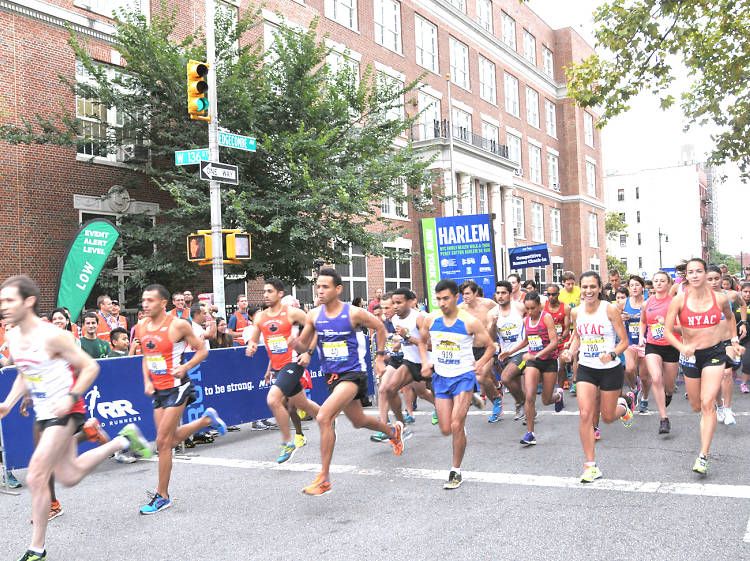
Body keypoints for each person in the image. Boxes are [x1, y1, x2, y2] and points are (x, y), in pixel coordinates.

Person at [0, 275, 152, 561]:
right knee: (68, 475)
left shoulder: (54, 336)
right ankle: (122, 440)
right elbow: (24, 371)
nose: (3, 306)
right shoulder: (12, 335)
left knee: (35, 475)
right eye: (2, 301)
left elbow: (90, 367)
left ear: (28, 301)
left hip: (68, 410)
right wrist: (9, 402)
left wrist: (70, 397)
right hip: (44, 413)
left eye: (10, 300)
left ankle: (37, 550)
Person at [291, 268, 404, 496]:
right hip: (331, 375)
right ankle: (393, 431)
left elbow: (380, 328)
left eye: (325, 286)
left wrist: (380, 358)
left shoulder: (353, 313)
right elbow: (303, 344)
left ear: (338, 289)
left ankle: (324, 477)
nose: (320, 290)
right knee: (359, 420)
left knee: (324, 416)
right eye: (318, 286)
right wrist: (295, 343)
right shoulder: (313, 315)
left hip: (353, 374)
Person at [134, 284, 227, 514]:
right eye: (143, 300)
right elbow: (147, 356)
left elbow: (202, 350)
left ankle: (162, 495)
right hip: (158, 389)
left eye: (150, 300)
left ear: (163, 303)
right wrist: (147, 381)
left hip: (178, 387)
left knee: (163, 442)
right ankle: (206, 421)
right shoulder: (141, 326)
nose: (145, 304)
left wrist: (185, 366)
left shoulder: (178, 325)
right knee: (169, 440)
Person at [664, 258, 744, 474]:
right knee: (696, 406)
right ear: (686, 276)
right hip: (690, 355)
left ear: (704, 273)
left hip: (714, 353)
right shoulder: (679, 301)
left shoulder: (720, 299)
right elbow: (667, 331)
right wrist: (682, 347)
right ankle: (714, 404)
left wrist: (734, 341)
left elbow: (729, 319)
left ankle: (703, 455)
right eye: (691, 272)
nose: (696, 275)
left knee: (707, 403)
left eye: (699, 271)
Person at [418, 279, 494, 489]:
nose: (441, 303)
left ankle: (455, 471)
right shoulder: (431, 320)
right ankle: (462, 424)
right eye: (438, 299)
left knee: (455, 424)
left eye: (446, 298)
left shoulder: (469, 322)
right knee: (445, 428)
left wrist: (479, 363)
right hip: (441, 379)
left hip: (463, 377)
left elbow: (490, 346)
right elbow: (422, 342)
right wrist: (425, 362)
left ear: (456, 297)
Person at [561, 271, 634, 483]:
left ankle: (626, 404)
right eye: (585, 287)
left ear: (599, 288)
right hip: (586, 368)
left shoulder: (609, 309)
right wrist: (570, 352)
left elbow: (624, 341)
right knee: (585, 414)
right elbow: (577, 338)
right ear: (580, 289)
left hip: (610, 368)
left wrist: (611, 354)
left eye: (592, 286)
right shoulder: (576, 312)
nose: (588, 291)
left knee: (609, 416)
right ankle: (591, 466)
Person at [246, 278, 321, 463]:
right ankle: (327, 417)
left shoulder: (291, 313)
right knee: (302, 404)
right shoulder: (261, 317)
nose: (265, 294)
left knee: (273, 399)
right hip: (279, 367)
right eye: (264, 291)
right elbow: (254, 339)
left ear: (280, 294)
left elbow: (315, 327)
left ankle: (288, 442)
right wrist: (252, 346)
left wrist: (309, 353)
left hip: (294, 363)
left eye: (269, 291)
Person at [372, 288, 435, 441]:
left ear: (409, 302)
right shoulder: (395, 319)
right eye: (393, 303)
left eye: (398, 303)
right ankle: (401, 427)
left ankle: (445, 410)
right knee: (387, 389)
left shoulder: (419, 318)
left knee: (425, 393)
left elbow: (431, 345)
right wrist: (400, 342)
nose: (395, 306)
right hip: (411, 362)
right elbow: (404, 338)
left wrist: (406, 337)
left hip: (429, 363)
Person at [515, 291, 562, 445]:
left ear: (539, 306)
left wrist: (537, 355)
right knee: (529, 395)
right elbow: (527, 341)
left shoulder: (546, 318)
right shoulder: (525, 320)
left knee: (546, 400)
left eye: (533, 308)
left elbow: (554, 343)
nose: (530, 312)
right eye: (527, 309)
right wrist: (510, 351)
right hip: (533, 362)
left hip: (548, 361)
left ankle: (558, 396)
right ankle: (530, 434)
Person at [638, 271, 679, 434]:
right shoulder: (646, 303)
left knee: (669, 386)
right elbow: (643, 322)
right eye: (656, 281)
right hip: (653, 345)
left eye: (662, 281)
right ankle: (664, 419)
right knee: (655, 378)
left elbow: (682, 328)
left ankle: (667, 394)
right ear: (652, 284)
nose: (659, 283)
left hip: (671, 345)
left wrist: (668, 325)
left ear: (669, 284)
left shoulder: (675, 302)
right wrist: (641, 336)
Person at [706, 265, 747, 426]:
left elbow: (743, 304)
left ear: (722, 279)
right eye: (710, 279)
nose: (714, 282)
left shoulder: (731, 295)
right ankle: (720, 405)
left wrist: (742, 322)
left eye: (717, 278)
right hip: (709, 343)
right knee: (714, 379)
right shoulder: (699, 298)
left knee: (727, 373)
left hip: (728, 341)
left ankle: (728, 409)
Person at [458, 280, 502, 419]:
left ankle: (496, 400)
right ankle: (494, 398)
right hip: (470, 349)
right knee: (476, 378)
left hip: (488, 347)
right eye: (462, 294)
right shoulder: (461, 308)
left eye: (467, 294)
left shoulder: (488, 304)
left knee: (482, 376)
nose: (464, 297)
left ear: (475, 293)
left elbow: (503, 310)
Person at [488, 281, 527, 421]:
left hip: (522, 351)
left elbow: (534, 319)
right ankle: (526, 406)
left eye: (503, 293)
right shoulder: (492, 313)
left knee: (505, 378)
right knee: (515, 384)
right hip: (505, 354)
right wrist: (493, 324)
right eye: (498, 293)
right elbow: (492, 337)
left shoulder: (520, 308)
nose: (500, 296)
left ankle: (521, 403)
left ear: (510, 294)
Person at [622, 276, 647, 408]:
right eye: (632, 285)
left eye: (637, 285)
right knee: (629, 369)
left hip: (645, 341)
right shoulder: (624, 303)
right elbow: (614, 318)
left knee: (644, 376)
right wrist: (622, 318)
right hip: (629, 340)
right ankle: (634, 387)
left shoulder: (648, 302)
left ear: (642, 287)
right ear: (629, 288)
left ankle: (645, 398)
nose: (634, 288)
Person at [544, 284, 571, 390]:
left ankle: (560, 391)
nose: (551, 297)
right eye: (548, 294)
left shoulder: (566, 307)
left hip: (563, 340)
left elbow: (567, 328)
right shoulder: (543, 306)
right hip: (549, 340)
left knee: (561, 364)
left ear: (558, 294)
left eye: (553, 294)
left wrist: (561, 338)